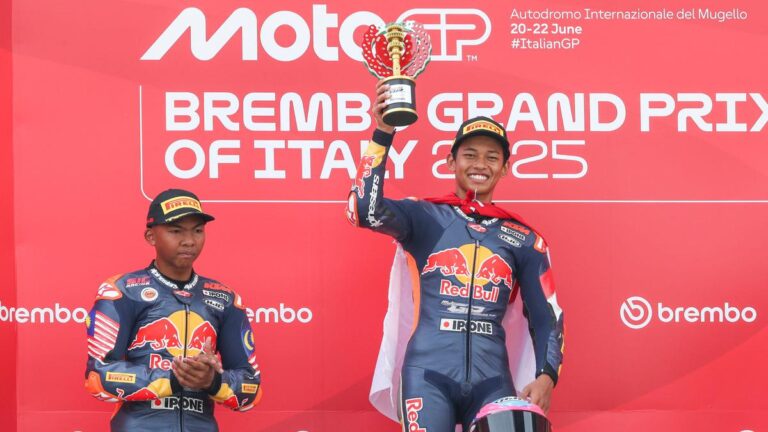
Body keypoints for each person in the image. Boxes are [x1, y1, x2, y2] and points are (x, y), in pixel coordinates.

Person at [346, 82, 564, 432]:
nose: (480, 164)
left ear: (505, 168)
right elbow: (362, 211)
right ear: (451, 161)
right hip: (427, 376)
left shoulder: (525, 238)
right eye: (470, 155)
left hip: (492, 381)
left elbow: (546, 316)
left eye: (492, 157)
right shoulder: (425, 216)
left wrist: (546, 376)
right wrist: (383, 133)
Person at [84, 189, 262, 432]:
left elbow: (252, 389)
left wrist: (213, 381)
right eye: (176, 231)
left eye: (197, 231)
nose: (189, 241)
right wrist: (172, 379)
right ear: (151, 236)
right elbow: (98, 376)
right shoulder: (122, 291)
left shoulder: (225, 298)